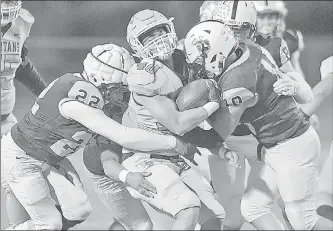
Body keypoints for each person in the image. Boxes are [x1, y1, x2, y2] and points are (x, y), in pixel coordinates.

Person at [1, 43, 194, 230]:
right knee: (49, 223)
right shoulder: (78, 101)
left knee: (78, 211)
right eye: (119, 88)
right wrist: (173, 143)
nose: (123, 95)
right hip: (23, 157)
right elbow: (123, 136)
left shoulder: (78, 84)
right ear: (101, 81)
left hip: (49, 158)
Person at [184, 20, 332, 230]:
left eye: (203, 58)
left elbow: (218, 135)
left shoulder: (238, 79)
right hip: (279, 145)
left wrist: (183, 130)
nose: (201, 65)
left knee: (305, 223)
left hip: (292, 147)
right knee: (253, 209)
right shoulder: (248, 48)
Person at [123, 9, 226, 230]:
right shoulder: (145, 74)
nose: (158, 39)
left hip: (177, 151)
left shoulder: (185, 58)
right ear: (136, 45)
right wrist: (212, 104)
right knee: (185, 208)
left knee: (215, 216)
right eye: (149, 37)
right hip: (146, 156)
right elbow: (177, 124)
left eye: (161, 32)